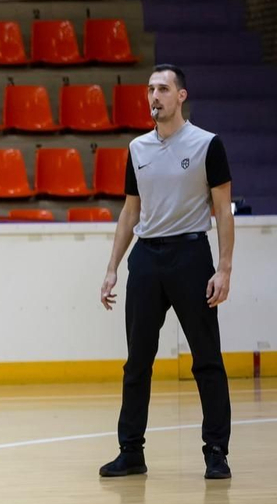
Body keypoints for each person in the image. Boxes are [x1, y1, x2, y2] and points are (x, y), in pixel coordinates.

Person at [100, 64, 235, 481]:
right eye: (150, 89)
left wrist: (224, 268)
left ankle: (216, 452)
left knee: (206, 359)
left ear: (181, 96)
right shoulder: (137, 148)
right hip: (146, 259)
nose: (154, 96)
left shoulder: (208, 144)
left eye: (163, 89)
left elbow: (223, 210)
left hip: (191, 257)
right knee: (137, 362)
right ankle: (131, 452)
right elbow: (129, 212)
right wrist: (112, 268)